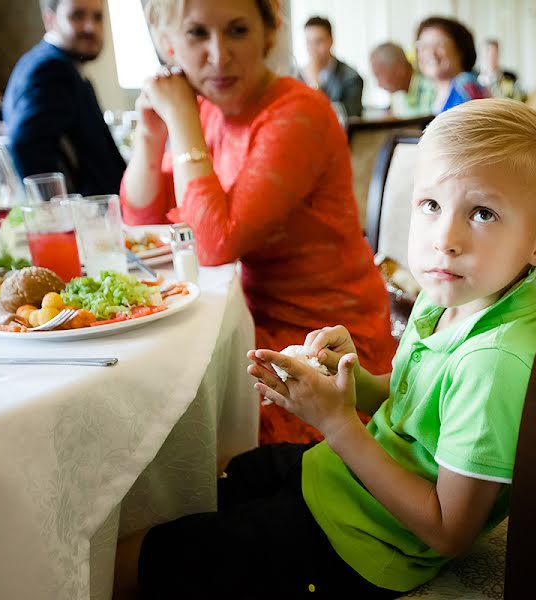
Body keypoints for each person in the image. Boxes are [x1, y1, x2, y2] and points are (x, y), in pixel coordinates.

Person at [112, 97, 536, 599]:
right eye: (431, 205)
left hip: (363, 548)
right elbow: (411, 402)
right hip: (343, 485)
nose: (445, 239)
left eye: (482, 213)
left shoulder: (494, 363)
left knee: (138, 557)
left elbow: (448, 530)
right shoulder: (453, 297)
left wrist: (335, 422)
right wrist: (349, 381)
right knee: (215, 481)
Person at [120, 0, 396, 445]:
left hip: (324, 342)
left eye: (237, 31)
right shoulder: (208, 112)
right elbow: (143, 221)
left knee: (164, 411)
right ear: (169, 43)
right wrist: (151, 138)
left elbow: (210, 243)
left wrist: (182, 120)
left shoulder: (297, 112)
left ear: (269, 35)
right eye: (196, 34)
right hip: (247, 322)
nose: (219, 54)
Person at [3, 0, 125, 195]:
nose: (90, 27)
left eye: (97, 17)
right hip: (86, 218)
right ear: (50, 19)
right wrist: (59, 211)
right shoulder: (51, 70)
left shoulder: (55, 64)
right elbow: (27, 145)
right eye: (77, 16)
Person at [415, 16, 489, 115]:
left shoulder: (466, 85)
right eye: (423, 46)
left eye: (439, 44)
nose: (430, 53)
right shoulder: (430, 92)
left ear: (460, 49)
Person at [299, 16, 363, 118]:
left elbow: (348, 116)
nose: (313, 48)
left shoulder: (351, 78)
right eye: (309, 42)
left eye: (318, 42)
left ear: (331, 41)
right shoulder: (298, 76)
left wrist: (314, 83)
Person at [369, 42, 434, 117]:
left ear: (399, 70)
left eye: (379, 75)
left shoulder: (430, 88)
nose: (378, 84)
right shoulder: (399, 96)